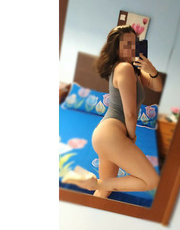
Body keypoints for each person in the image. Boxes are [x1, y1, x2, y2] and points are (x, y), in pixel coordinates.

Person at [61, 25, 163, 198]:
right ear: (116, 48)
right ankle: (93, 182)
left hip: (105, 135)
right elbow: (130, 113)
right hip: (112, 134)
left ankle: (93, 195)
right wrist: (131, 137)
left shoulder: (134, 71)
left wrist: (151, 69)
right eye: (127, 44)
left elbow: (157, 86)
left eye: (134, 43)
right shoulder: (124, 68)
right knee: (152, 181)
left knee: (105, 190)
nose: (132, 48)